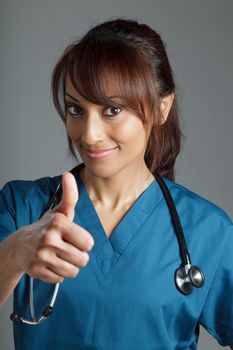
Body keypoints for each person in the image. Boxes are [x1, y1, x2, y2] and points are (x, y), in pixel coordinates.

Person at [0, 17, 232, 350]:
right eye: (76, 109)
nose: (89, 134)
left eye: (112, 109)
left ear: (161, 107)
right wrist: (14, 253)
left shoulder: (209, 231)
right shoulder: (22, 206)